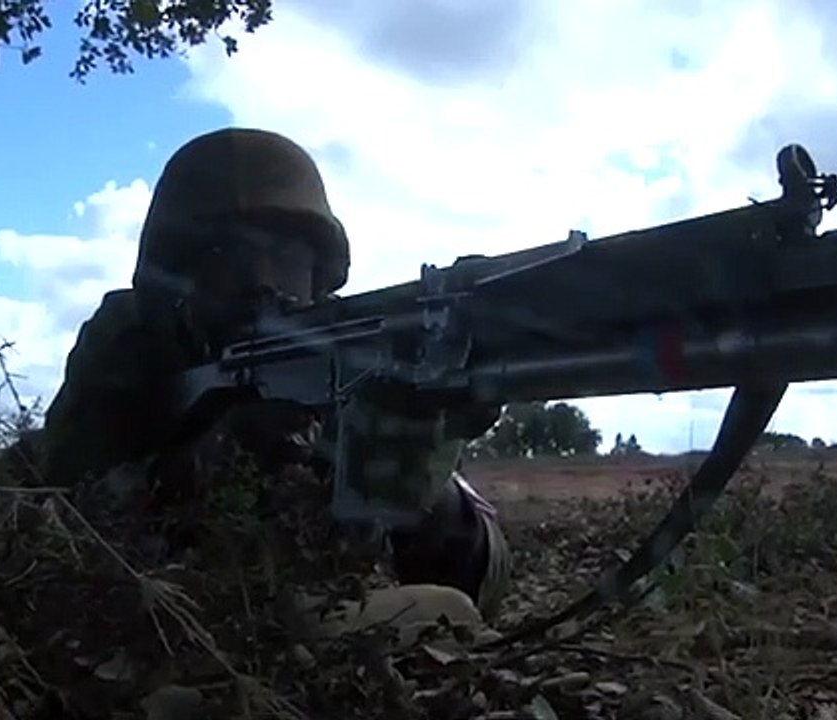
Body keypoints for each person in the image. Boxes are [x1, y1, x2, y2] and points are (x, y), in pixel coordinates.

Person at [37, 127, 511, 639]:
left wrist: (418, 481)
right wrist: (205, 460)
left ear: (319, 273)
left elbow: (483, 592)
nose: (261, 280)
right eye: (227, 255)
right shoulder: (131, 342)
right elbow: (65, 516)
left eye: (287, 254)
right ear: (176, 277)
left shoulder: (353, 355)